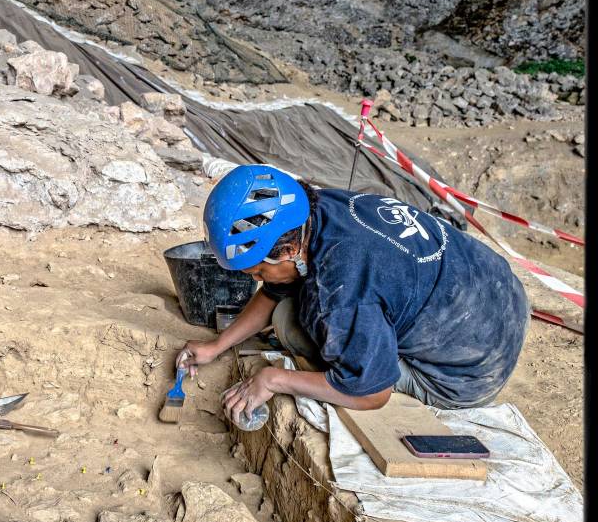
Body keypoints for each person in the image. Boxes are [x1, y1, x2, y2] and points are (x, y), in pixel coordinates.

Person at [181, 164, 529, 424]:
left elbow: (372, 393)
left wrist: (275, 379)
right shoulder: (317, 208)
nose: (257, 280)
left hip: (468, 373)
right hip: (500, 294)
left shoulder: (340, 295)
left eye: (258, 271)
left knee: (290, 323)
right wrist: (216, 347)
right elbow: (276, 287)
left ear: (287, 253)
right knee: (290, 304)